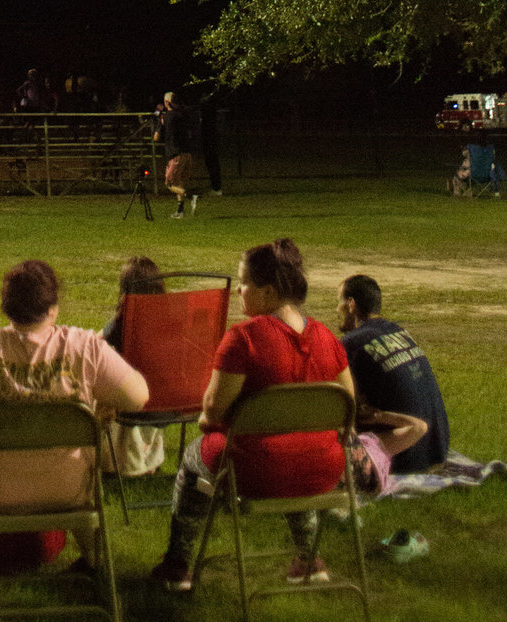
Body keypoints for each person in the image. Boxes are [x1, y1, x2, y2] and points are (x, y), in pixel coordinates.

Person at [0, 258, 150, 587]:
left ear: (6, 307)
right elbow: (138, 397)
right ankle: (95, 562)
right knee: (76, 461)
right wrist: (97, 401)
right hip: (69, 490)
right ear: (53, 307)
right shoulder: (84, 347)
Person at [150, 238, 354, 591]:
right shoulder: (326, 338)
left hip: (257, 470)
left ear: (267, 292)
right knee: (292, 448)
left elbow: (213, 410)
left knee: (192, 458)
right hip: (325, 467)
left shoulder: (244, 339)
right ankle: (310, 560)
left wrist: (208, 421)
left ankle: (177, 567)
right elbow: (347, 405)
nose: (238, 291)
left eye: (243, 283)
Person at [337, 275, 451, 472]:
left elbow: (345, 405)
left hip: (406, 458)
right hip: (437, 448)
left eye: (338, 302)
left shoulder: (351, 344)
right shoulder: (398, 332)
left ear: (351, 304)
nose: (336, 310)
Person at [100, 256, 168, 477]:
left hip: (133, 405)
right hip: (167, 405)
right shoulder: (172, 324)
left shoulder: (122, 324)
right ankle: (148, 460)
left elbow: (97, 346)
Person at [156, 92, 202, 217]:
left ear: (167, 102)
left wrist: (159, 123)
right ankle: (180, 211)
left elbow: (156, 137)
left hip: (176, 154)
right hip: (187, 153)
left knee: (170, 184)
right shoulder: (183, 114)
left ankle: (190, 195)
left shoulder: (167, 117)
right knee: (179, 181)